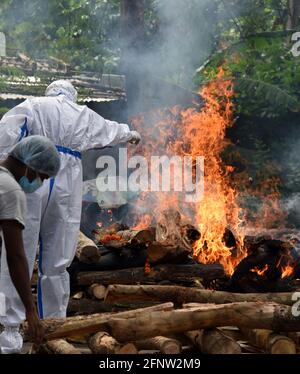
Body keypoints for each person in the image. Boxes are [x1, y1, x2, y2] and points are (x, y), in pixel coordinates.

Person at [0, 80, 141, 353]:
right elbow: (109, 130)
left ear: (49, 91)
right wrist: (130, 133)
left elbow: (7, 129)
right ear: (72, 95)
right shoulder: (82, 113)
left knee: (19, 251)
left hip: (33, 172)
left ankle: (10, 334)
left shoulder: (34, 105)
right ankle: (55, 328)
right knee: (58, 257)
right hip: (67, 178)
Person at [0, 135, 61, 353]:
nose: (40, 184)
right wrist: (30, 310)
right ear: (30, 166)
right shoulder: (11, 192)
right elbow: (15, 256)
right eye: (42, 178)